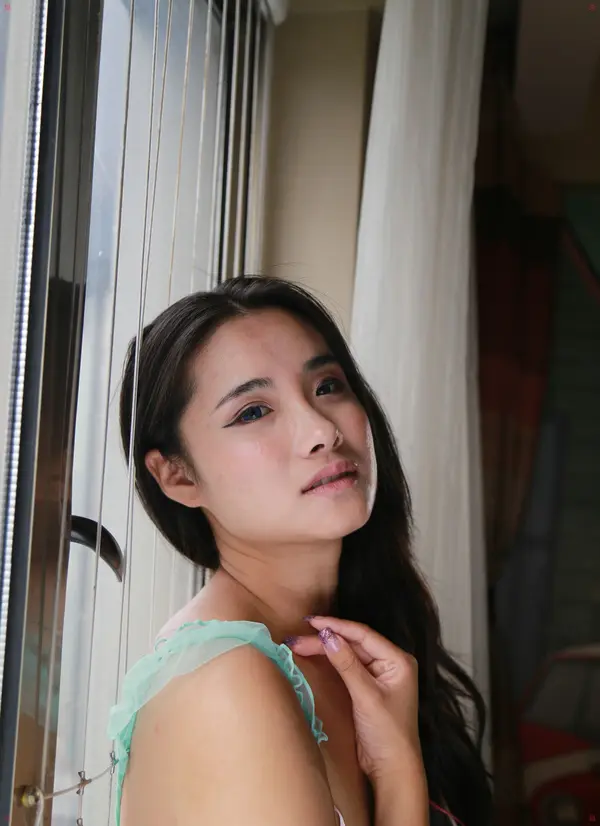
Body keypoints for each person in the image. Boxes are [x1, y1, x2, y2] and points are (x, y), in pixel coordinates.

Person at [108, 276, 492, 826]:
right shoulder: (226, 683)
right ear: (177, 475)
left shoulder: (358, 635)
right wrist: (397, 771)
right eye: (252, 412)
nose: (321, 431)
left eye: (328, 386)